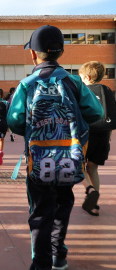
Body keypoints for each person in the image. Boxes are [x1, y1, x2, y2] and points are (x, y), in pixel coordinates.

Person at [7, 25, 103, 270]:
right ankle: (59, 255)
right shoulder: (73, 82)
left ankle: (40, 264)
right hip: (69, 158)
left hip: (38, 160)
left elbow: (15, 121)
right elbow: (96, 113)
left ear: (33, 54)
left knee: (39, 211)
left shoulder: (27, 84)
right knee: (62, 204)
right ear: (61, 51)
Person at [79, 61, 113, 216]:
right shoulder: (107, 90)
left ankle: (90, 190)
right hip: (104, 135)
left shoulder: (83, 91)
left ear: (87, 77)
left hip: (86, 134)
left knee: (78, 167)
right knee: (92, 168)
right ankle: (95, 203)